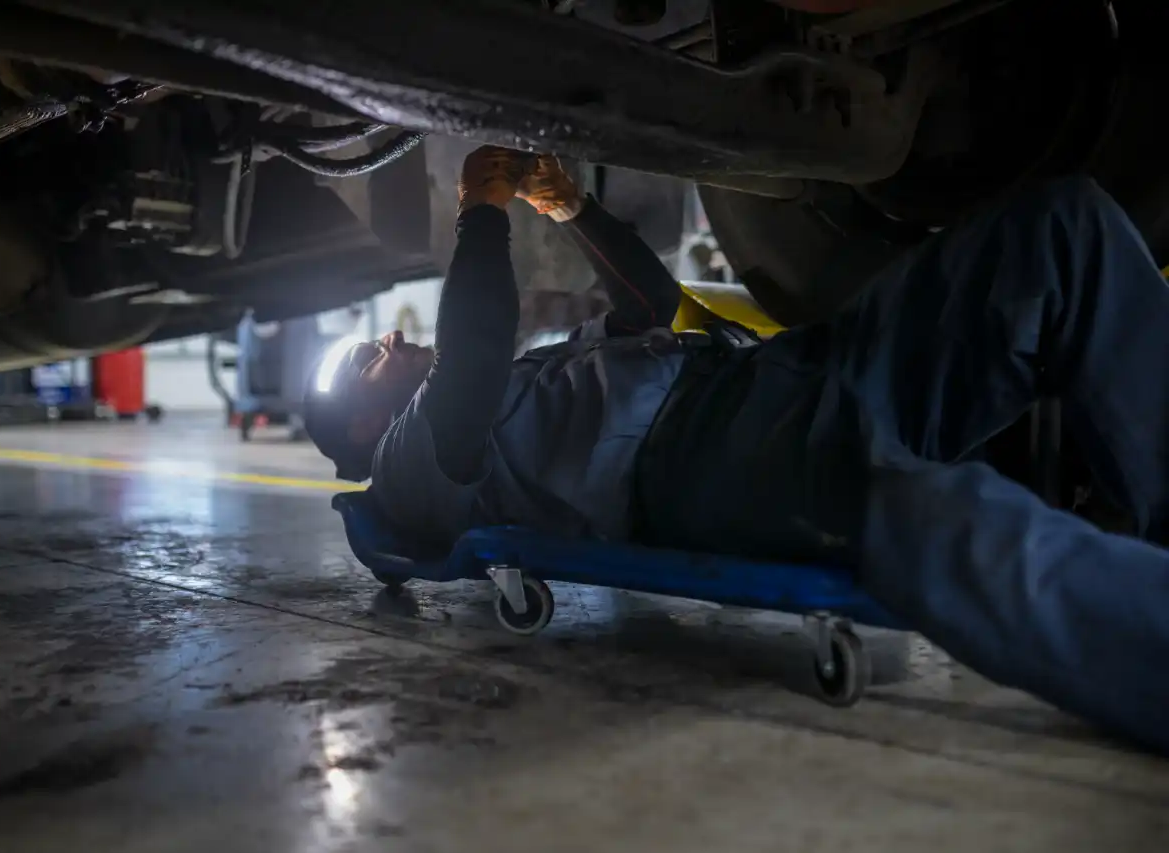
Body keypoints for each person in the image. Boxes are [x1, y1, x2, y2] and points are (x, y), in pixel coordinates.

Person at [307, 145, 1169, 755]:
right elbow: (472, 355)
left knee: (1064, 230)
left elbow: (655, 306)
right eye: (365, 358)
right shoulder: (406, 463)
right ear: (357, 425)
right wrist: (478, 219)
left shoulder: (525, 372)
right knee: (929, 518)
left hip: (783, 372)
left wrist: (574, 209)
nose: (386, 338)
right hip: (701, 459)